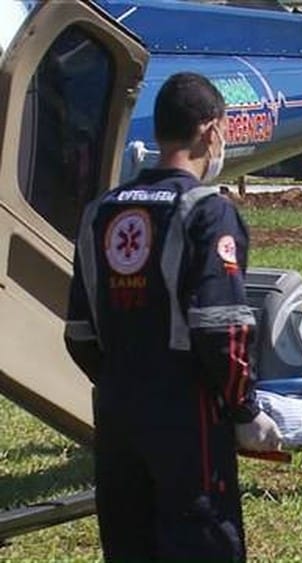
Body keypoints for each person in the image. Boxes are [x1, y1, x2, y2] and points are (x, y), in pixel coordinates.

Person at [63, 72, 281, 561]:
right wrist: (244, 410)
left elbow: (78, 333)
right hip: (187, 417)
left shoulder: (100, 211)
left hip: (117, 410)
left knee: (129, 545)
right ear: (211, 130)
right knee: (202, 543)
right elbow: (221, 326)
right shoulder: (206, 211)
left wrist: (125, 378)